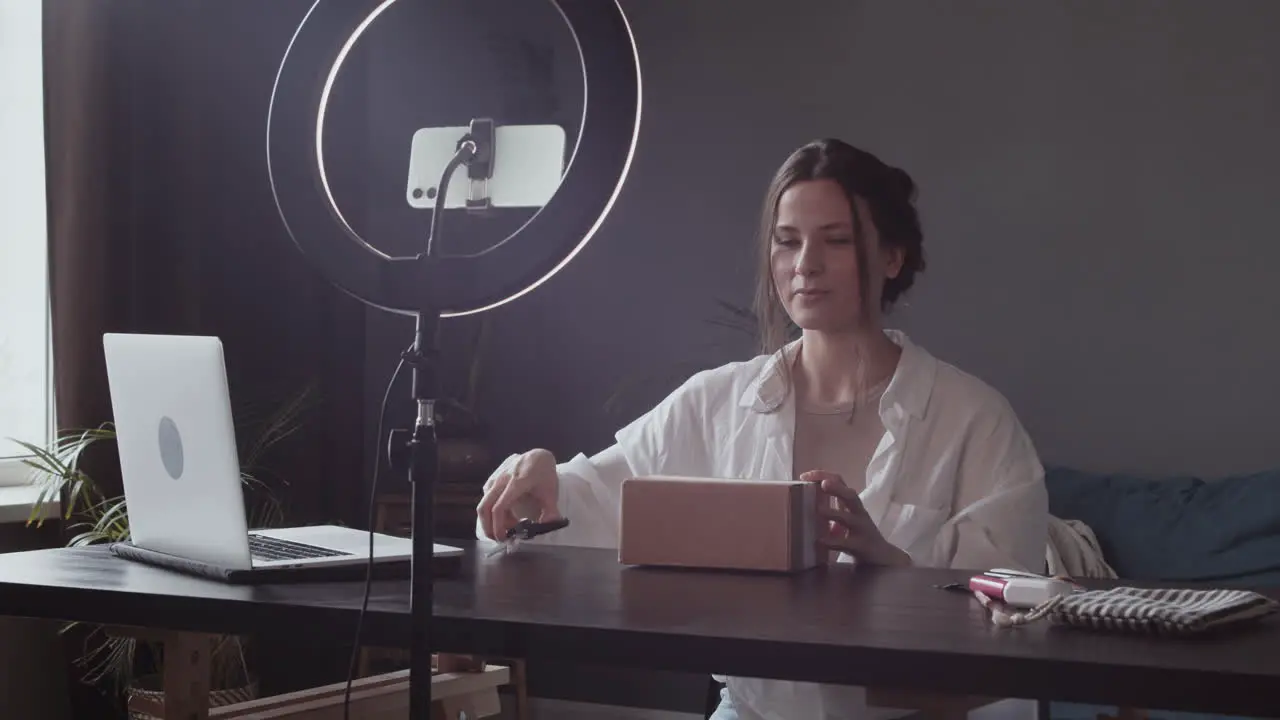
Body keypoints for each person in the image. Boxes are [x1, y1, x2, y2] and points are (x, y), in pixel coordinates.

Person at [476, 138, 1048, 719]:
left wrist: (892, 572)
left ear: (893, 256)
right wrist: (542, 476)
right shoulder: (717, 403)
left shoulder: (974, 422)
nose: (806, 264)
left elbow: (1022, 619)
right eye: (788, 241)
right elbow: (592, 501)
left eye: (837, 240)